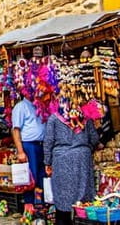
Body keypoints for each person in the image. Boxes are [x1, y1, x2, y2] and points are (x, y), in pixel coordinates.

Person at [44, 92, 99, 225]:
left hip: (61, 160)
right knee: (83, 197)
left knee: (63, 199)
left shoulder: (54, 118)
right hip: (82, 159)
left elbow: (48, 141)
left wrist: (47, 162)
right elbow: (94, 139)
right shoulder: (85, 118)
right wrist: (86, 149)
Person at [11, 89, 46, 204]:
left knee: (42, 176)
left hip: (41, 145)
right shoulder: (21, 107)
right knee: (30, 177)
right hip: (29, 145)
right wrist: (20, 151)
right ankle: (29, 205)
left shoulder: (39, 106)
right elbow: (16, 130)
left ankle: (41, 206)